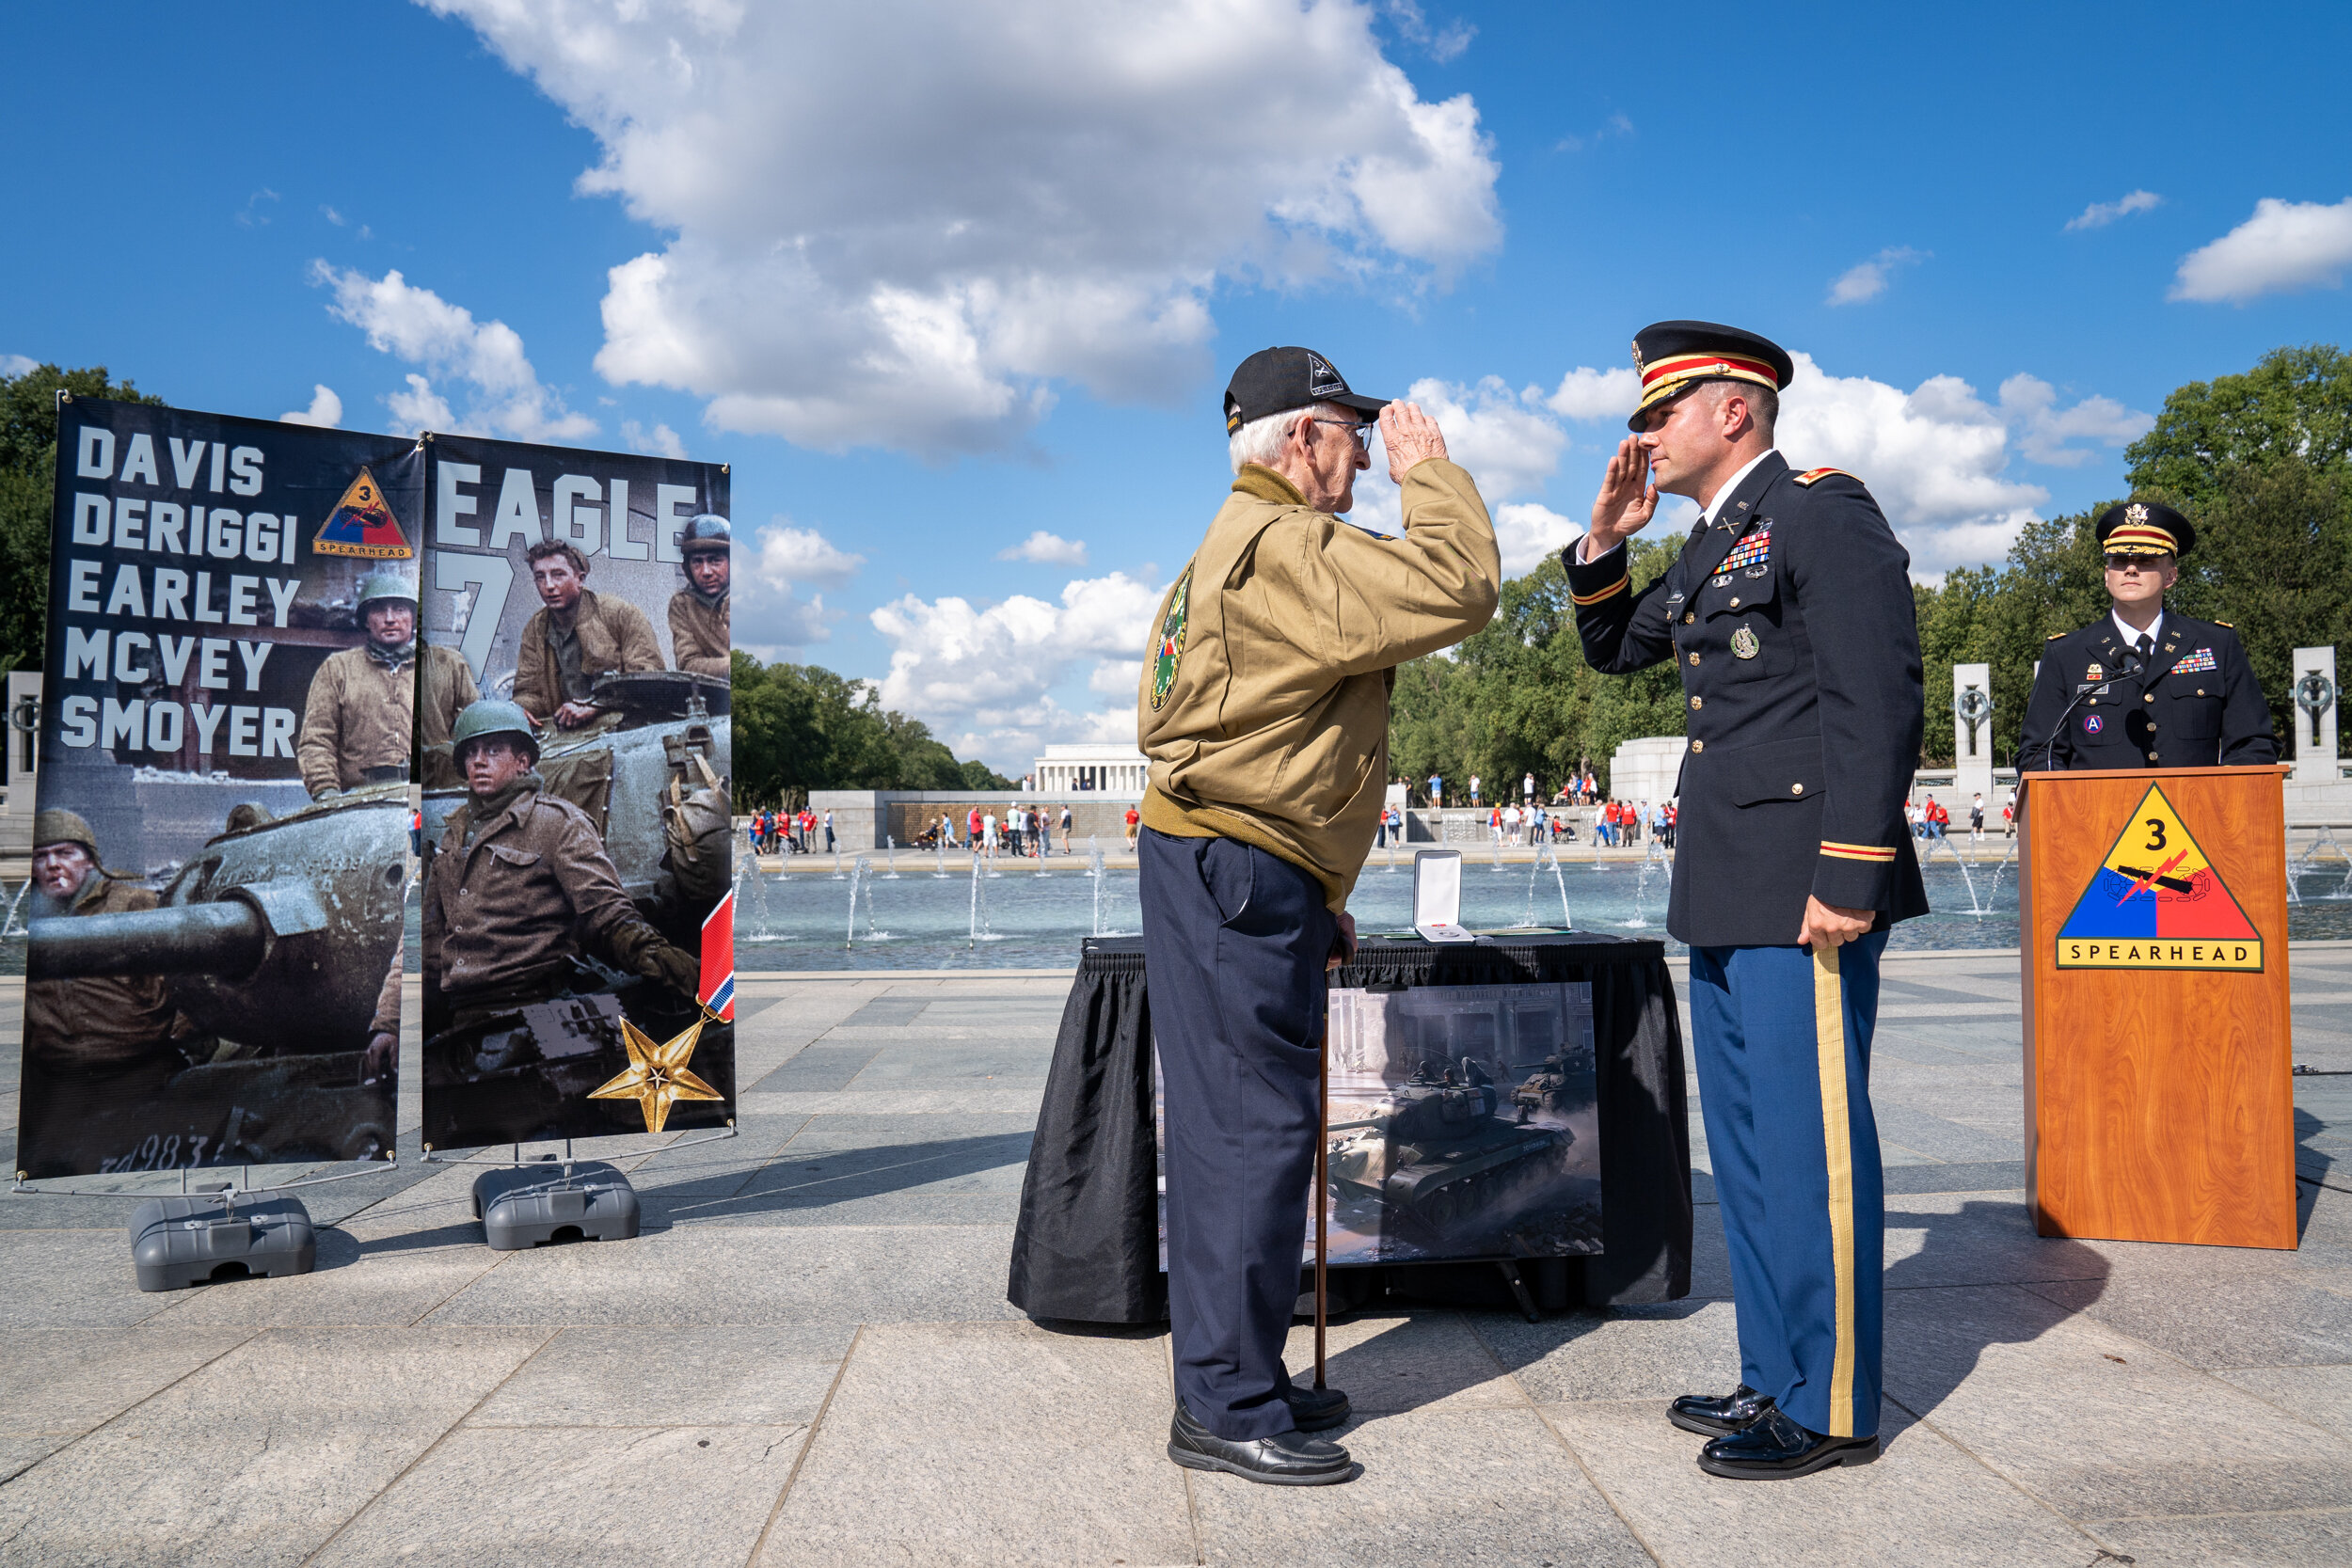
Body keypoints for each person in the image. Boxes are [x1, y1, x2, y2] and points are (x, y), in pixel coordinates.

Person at [1566, 320, 1925, 1481]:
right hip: (1725, 884)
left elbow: (1880, 693)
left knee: (1814, 1144)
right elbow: (1618, 647)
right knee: (1757, 1149)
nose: (1644, 436)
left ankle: (1829, 1406)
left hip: (1802, 887)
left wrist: (1850, 868)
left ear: (1734, 408)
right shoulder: (1714, 542)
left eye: (1658, 413)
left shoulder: (1822, 510)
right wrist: (1604, 539)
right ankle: (1774, 1369)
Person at [1137, 344, 1497, 1487]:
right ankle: (1225, 1400)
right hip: (1238, 864)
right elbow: (1459, 588)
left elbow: (1246, 731)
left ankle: (1233, 1368)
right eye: (1350, 430)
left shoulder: (1223, 549)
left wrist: (1315, 889)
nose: (1362, 449)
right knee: (1251, 1135)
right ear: (1302, 438)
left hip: (1231, 863)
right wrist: (1429, 477)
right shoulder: (1288, 542)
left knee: (1234, 1133)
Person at [2017, 500, 2277, 771]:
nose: (2131, 569)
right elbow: (2038, 756)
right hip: (2098, 813)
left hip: (2195, 811)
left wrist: (2221, 802)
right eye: (2119, 561)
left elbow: (2254, 744)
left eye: (2145, 560)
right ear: (2107, 576)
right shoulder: (2067, 654)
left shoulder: (2216, 645)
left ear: (2170, 576)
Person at [18, 810, 201, 1169]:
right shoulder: (23, 923)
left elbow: (187, 985)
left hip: (140, 1075)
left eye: (65, 853)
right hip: (59, 1086)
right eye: (41, 857)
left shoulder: (132, 905)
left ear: (89, 860)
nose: (53, 865)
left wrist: (186, 1042)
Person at [297, 573, 477, 800]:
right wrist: (327, 794)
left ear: (414, 616)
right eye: (379, 610)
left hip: (433, 795)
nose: (390, 618)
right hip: (362, 798)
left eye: (400, 609)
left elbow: (475, 733)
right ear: (365, 620)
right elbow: (317, 740)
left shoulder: (449, 665)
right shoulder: (337, 669)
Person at [511, 540, 664, 730]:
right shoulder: (535, 629)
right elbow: (529, 690)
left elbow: (648, 678)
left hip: (626, 725)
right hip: (567, 734)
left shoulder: (619, 614)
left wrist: (595, 705)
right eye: (540, 577)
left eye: (558, 575)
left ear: (580, 579)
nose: (548, 585)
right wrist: (517, 710)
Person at [669, 514, 732, 676]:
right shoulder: (683, 603)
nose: (706, 572)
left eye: (715, 561)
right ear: (688, 567)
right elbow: (689, 664)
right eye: (697, 562)